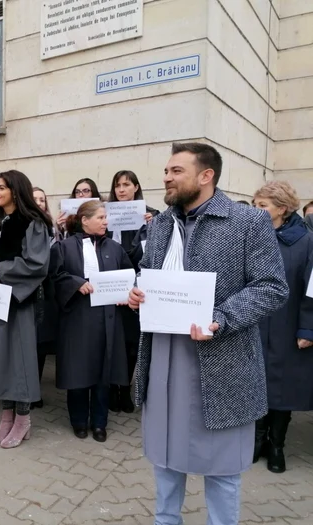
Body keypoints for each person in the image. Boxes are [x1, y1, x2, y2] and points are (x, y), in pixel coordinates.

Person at [128, 143, 289, 525]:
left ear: (206, 176)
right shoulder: (161, 223)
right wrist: (138, 293)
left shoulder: (248, 222)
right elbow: (149, 273)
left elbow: (272, 287)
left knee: (221, 466)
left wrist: (223, 318)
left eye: (176, 171)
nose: (166, 177)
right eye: (166, 171)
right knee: (165, 459)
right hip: (164, 356)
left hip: (223, 360)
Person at [0, 170, 53, 449]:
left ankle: (23, 419)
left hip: (18, 300)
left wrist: (0, 268)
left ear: (16, 190)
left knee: (18, 360)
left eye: (3, 188)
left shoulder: (33, 223)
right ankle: (6, 416)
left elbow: (36, 264)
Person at [51, 200, 132, 442]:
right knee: (78, 372)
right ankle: (78, 421)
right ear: (85, 220)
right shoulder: (63, 247)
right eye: (100, 217)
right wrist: (76, 284)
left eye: (105, 217)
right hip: (77, 320)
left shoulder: (115, 248)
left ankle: (99, 422)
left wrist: (127, 293)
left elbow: (128, 275)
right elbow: (55, 277)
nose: (106, 221)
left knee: (102, 374)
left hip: (107, 321)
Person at [253, 181, 313, 474]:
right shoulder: (251, 237)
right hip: (255, 323)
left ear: (283, 209)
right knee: (256, 381)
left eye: (262, 206)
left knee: (282, 386)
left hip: (288, 324)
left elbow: (312, 290)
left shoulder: (306, 241)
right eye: (255, 204)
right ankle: (256, 438)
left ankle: (276, 445)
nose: (256, 210)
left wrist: (308, 329)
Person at [106, 170, 159, 414]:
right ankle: (110, 388)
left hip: (138, 289)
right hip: (110, 286)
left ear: (136, 187)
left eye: (126, 185)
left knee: (130, 343)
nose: (121, 190)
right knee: (110, 340)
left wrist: (153, 226)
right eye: (118, 185)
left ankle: (124, 388)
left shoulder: (152, 216)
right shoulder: (105, 214)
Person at [31, 187, 58, 409]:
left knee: (39, 345)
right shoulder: (24, 224)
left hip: (45, 291)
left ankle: (35, 389)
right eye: (35, 199)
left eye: (43, 199)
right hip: (27, 291)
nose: (39, 202)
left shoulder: (51, 226)